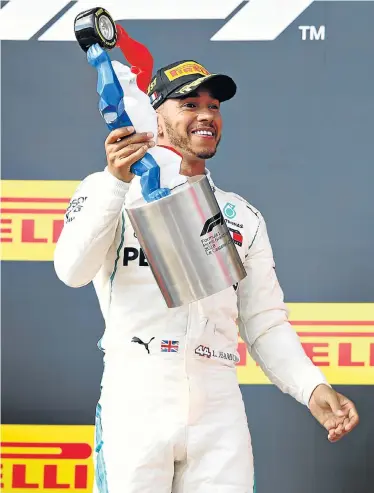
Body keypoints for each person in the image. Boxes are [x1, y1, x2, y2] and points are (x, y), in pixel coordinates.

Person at [54, 59, 359, 493]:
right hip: (137, 395)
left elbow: (265, 321)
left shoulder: (241, 215)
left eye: (214, 106)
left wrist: (312, 387)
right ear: (155, 115)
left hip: (219, 403)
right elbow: (71, 270)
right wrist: (115, 183)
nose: (206, 115)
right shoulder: (110, 190)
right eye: (189, 103)